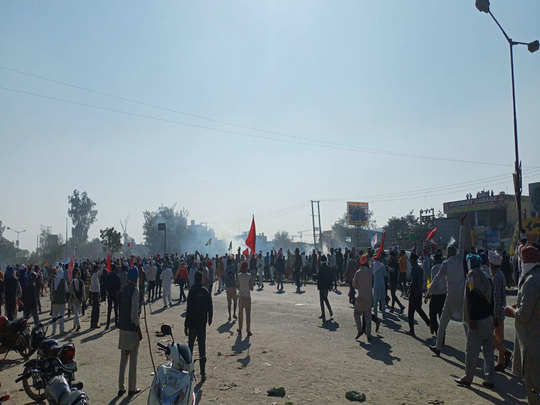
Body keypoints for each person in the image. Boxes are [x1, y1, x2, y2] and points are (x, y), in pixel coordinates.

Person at [505, 243, 540, 405]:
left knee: (533, 385)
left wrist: (511, 311)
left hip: (532, 341)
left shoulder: (530, 281)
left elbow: (524, 315)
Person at [456, 253, 495, 389]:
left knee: (472, 350)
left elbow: (472, 297)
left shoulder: (472, 275)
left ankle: (468, 377)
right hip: (488, 317)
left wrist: (472, 318)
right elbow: (492, 298)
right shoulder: (486, 275)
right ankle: (489, 378)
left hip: (477, 319)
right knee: (488, 351)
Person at [429, 222, 466, 356]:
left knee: (443, 323)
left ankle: (438, 347)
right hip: (462, 295)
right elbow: (462, 243)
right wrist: (461, 226)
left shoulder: (445, 263)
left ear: (447, 253)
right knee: (466, 322)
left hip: (450, 296)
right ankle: (473, 345)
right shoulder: (460, 258)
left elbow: (436, 279)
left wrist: (428, 292)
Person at [117, 266, 142, 397]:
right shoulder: (135, 290)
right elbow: (134, 313)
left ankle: (121, 387)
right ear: (136, 278)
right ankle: (132, 388)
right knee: (133, 360)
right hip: (132, 329)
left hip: (123, 328)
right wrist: (138, 326)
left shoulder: (124, 289)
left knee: (123, 359)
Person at [185, 271, 213, 381]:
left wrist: (186, 324)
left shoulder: (192, 291)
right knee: (202, 347)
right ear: (201, 279)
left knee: (190, 347)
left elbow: (188, 309)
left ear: (195, 279)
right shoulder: (205, 291)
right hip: (202, 323)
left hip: (192, 323)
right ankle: (203, 373)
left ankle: (189, 371)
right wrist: (210, 318)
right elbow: (210, 305)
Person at [488, 250, 512, 372]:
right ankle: (500, 361)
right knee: (498, 337)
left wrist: (495, 315)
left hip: (496, 311)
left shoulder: (496, 276)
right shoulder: (500, 274)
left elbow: (496, 297)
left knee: (492, 335)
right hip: (500, 310)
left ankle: (503, 354)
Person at [407, 252, 430, 337]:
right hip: (419, 292)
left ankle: (412, 330)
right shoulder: (420, 268)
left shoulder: (414, 269)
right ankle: (429, 322)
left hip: (414, 293)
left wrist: (409, 290)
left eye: (410, 260)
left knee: (410, 313)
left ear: (413, 260)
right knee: (418, 309)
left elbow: (413, 282)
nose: (410, 261)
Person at [425, 251, 446, 335]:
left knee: (432, 315)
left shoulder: (434, 268)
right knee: (441, 317)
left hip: (436, 295)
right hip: (444, 295)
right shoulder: (445, 267)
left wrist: (428, 294)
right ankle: (442, 335)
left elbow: (433, 282)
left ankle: (437, 332)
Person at [352, 254, 373, 341]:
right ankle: (368, 334)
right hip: (369, 297)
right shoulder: (370, 272)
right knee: (368, 317)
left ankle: (360, 330)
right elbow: (371, 283)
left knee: (356, 314)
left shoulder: (358, 272)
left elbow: (354, 285)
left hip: (360, 297)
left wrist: (359, 287)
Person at [237, 261, 254, 336]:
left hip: (241, 297)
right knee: (248, 315)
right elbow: (252, 288)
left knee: (240, 314)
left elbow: (237, 286)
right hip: (247, 297)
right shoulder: (249, 275)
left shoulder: (238, 275)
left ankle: (240, 329)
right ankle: (248, 330)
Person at [316, 255, 333, 323]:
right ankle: (330, 312)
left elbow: (318, 277)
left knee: (322, 301)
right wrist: (330, 286)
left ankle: (324, 314)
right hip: (326, 286)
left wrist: (315, 276)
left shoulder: (320, 268)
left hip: (321, 286)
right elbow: (331, 277)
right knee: (325, 299)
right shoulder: (328, 268)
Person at [51, 267, 67, 336]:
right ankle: (61, 330)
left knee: (54, 317)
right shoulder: (63, 281)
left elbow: (51, 291)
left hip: (55, 302)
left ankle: (53, 331)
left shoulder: (53, 280)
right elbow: (66, 290)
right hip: (62, 301)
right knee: (61, 317)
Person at [105, 265, 121, 330]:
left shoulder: (108, 276)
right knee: (116, 309)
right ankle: (116, 323)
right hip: (115, 294)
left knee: (109, 310)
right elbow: (119, 286)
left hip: (110, 294)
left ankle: (107, 324)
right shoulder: (117, 277)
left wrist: (107, 292)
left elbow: (106, 285)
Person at [371, 254, 386, 320]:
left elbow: (371, 273)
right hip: (382, 283)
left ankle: (375, 314)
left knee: (375, 300)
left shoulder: (373, 265)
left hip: (376, 283)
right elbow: (385, 274)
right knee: (382, 300)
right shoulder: (382, 265)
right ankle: (384, 315)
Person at [89, 264, 102, 329]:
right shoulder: (94, 276)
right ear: (96, 269)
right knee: (96, 310)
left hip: (94, 294)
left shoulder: (94, 276)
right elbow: (96, 288)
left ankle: (93, 323)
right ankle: (94, 324)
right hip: (95, 294)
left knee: (94, 309)